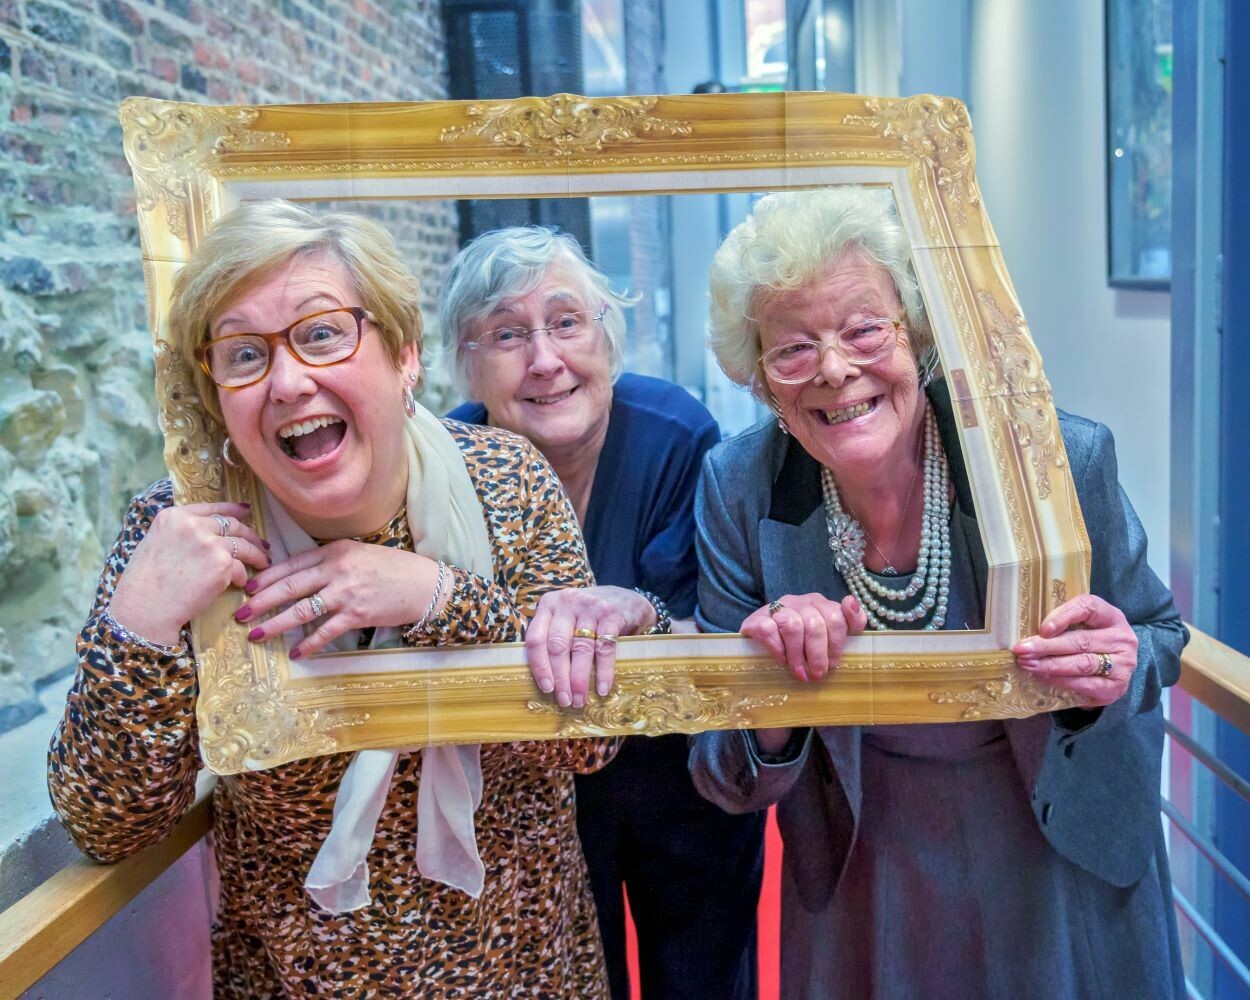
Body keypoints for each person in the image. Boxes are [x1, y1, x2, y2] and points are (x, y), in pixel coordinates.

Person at [48, 200, 620, 997]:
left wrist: (436, 597)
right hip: (300, 980)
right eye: (244, 354)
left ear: (405, 354)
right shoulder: (185, 533)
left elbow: (587, 742)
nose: (287, 382)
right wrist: (138, 623)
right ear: (217, 393)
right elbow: (107, 824)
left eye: (322, 333)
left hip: (525, 967)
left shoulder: (507, 480)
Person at [688, 188, 1187, 999]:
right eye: (793, 349)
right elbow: (721, 769)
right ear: (761, 379)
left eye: (863, 329)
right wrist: (771, 695)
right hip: (866, 865)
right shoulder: (738, 489)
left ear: (916, 332)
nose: (836, 370)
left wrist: (1116, 664)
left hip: (1057, 845)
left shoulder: (1052, 457)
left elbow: (1159, 631)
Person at [442, 226, 765, 1000]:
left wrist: (641, 611)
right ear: (468, 362)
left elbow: (713, 626)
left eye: (565, 322)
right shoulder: (447, 466)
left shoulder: (680, 434)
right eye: (508, 334)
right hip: (532, 793)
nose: (545, 360)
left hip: (679, 776)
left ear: (607, 337)